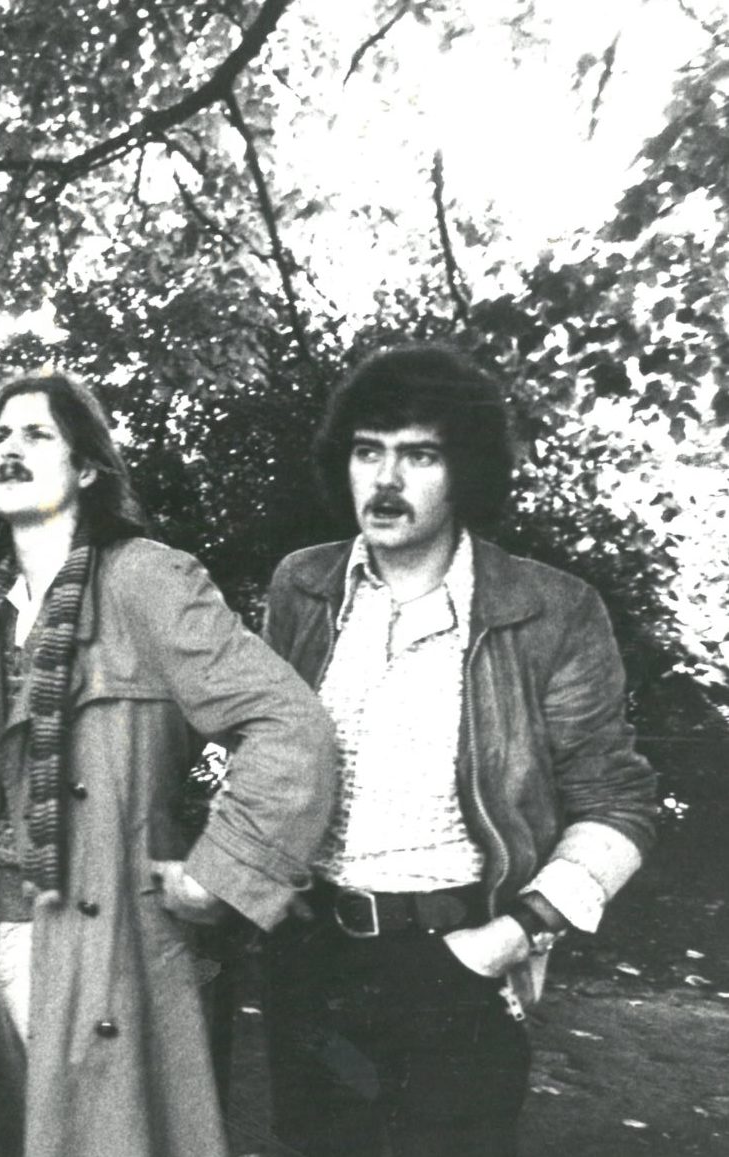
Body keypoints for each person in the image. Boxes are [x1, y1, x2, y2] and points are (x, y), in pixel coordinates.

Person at [260, 344, 660, 1155]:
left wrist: (512, 934)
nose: (385, 479)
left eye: (419, 455)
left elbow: (617, 804)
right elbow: (263, 750)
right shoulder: (302, 585)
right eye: (367, 450)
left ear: (466, 470)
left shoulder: (548, 610)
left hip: (453, 962)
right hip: (309, 960)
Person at [0, 372, 337, 1157]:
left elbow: (289, 726)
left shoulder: (143, 577)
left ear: (87, 467)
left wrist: (219, 872)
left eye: (37, 435)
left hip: (101, 944)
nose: (9, 450)